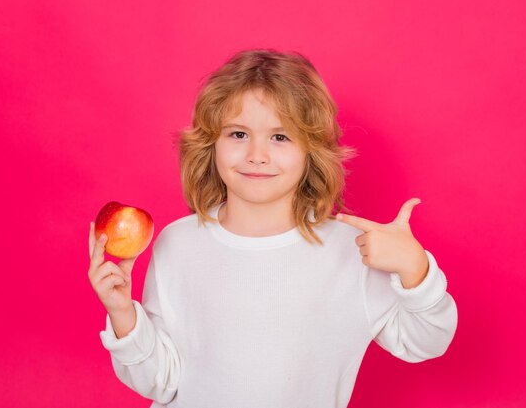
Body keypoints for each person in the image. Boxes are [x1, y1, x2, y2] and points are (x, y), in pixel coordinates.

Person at [88, 48, 458, 408]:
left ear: (310, 151)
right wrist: (124, 314)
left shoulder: (352, 250)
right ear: (211, 145)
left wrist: (416, 270)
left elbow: (425, 343)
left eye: (280, 137)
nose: (257, 155)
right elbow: (161, 382)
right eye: (238, 134)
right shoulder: (179, 243)